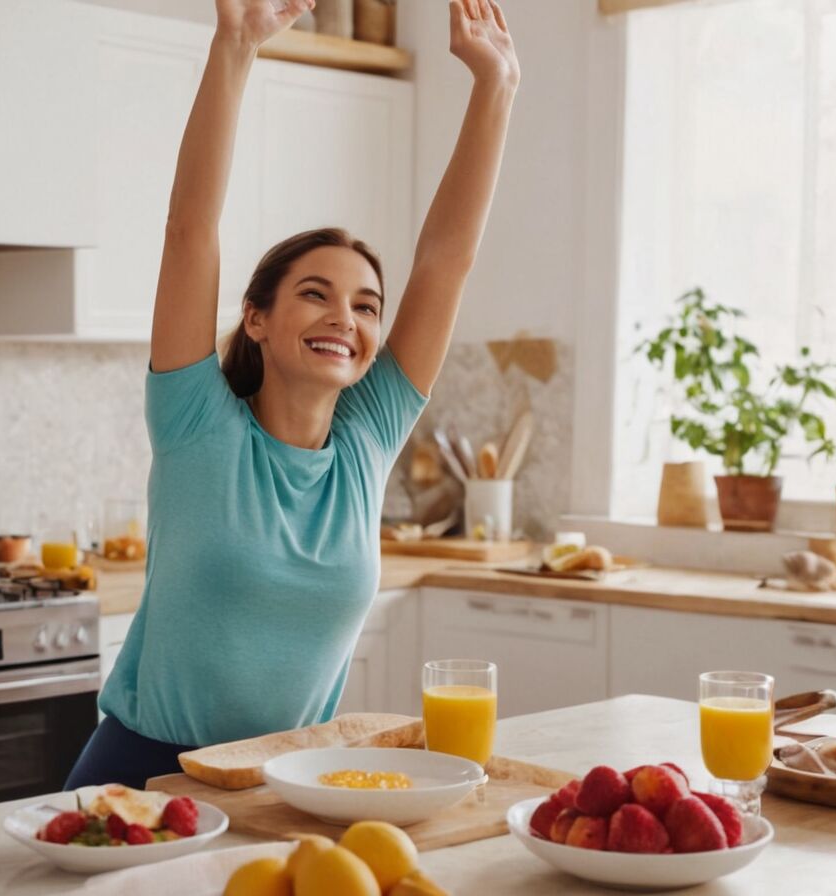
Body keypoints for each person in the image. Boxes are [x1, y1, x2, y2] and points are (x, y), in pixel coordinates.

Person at [66, 0, 519, 790]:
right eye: (316, 294)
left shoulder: (368, 439)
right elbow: (189, 230)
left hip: (288, 782)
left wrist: (497, 87)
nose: (346, 318)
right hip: (146, 777)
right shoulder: (196, 422)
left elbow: (447, 260)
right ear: (257, 318)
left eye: (367, 306)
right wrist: (235, 45)